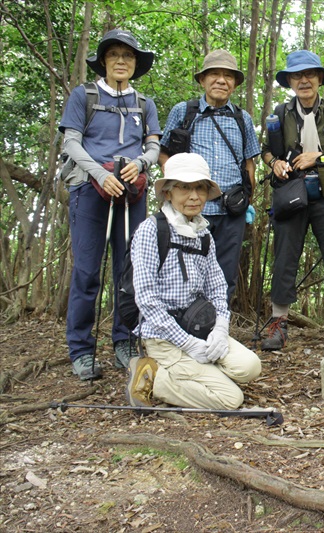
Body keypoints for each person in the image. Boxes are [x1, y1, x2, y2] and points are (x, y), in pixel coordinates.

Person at [60, 29, 161, 380]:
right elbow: (72, 143)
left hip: (131, 190)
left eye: (129, 55)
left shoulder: (145, 104)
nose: (121, 60)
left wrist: (143, 164)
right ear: (103, 60)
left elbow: (151, 146)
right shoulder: (83, 95)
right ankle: (81, 348)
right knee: (88, 271)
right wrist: (99, 175)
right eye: (114, 54)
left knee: (128, 270)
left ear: (136, 64)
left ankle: (124, 340)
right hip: (90, 189)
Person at [126, 153, 262, 409]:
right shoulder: (151, 230)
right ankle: (154, 377)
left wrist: (221, 329)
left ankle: (198, 372)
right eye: (185, 187)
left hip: (201, 326)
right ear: (168, 192)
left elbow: (218, 288)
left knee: (250, 367)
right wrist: (187, 344)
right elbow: (145, 299)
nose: (194, 196)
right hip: (164, 336)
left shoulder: (203, 234)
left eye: (200, 188)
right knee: (231, 399)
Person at [260, 50, 324, 350]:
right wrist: (273, 163)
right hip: (290, 192)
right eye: (297, 76)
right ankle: (279, 322)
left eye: (309, 75)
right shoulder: (280, 113)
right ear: (290, 81)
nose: (304, 80)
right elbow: (267, 150)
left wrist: (322, 156)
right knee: (285, 255)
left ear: (318, 79)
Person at [159, 50, 260, 301]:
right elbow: (163, 155)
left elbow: (250, 165)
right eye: (214, 74)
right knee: (184, 272)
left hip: (230, 212)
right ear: (202, 80)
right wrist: (176, 192)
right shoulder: (183, 112)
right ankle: (186, 329)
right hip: (190, 209)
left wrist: (246, 199)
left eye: (228, 76)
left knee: (224, 276)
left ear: (235, 84)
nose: (221, 80)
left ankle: (217, 330)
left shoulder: (242, 118)